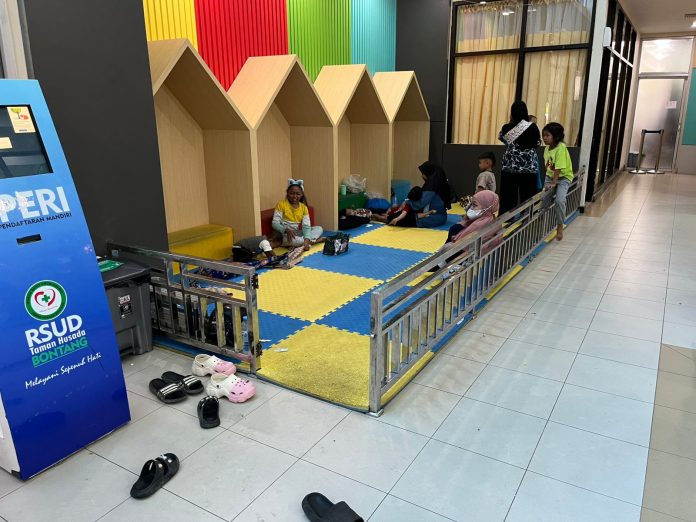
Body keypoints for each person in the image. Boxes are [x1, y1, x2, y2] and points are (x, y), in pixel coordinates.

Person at [498, 101, 541, 214]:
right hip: (528, 167)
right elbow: (538, 143)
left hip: (510, 166)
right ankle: (528, 217)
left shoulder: (506, 127)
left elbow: (503, 139)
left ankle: (507, 218)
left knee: (508, 195)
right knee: (528, 195)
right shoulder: (532, 127)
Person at [542, 122, 574, 241]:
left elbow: (558, 168)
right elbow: (548, 166)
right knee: (543, 199)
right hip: (550, 177)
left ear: (555, 137)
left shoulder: (561, 148)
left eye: (547, 135)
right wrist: (548, 183)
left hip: (563, 177)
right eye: (543, 135)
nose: (544, 138)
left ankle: (560, 225)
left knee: (560, 201)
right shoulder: (546, 149)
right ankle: (541, 222)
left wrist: (554, 183)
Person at [272, 179, 324, 251]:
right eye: (292, 193)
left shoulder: (304, 207)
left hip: (296, 233)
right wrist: (286, 230)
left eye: (298, 194)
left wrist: (306, 240)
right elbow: (275, 223)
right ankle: (314, 241)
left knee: (319, 229)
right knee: (295, 240)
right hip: (284, 235)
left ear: (301, 194)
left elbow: (306, 227)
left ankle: (303, 243)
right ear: (287, 193)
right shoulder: (281, 204)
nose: (294, 196)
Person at [409, 161, 451, 228]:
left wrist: (408, 202)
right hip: (441, 216)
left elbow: (421, 203)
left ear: (429, 172)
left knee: (408, 219)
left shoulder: (432, 185)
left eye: (423, 173)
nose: (422, 175)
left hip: (433, 217)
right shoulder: (440, 182)